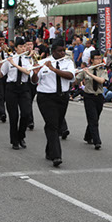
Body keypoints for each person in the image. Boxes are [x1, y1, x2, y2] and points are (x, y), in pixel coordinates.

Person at [31, 38, 75, 167]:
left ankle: (49, 150)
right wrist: (35, 73)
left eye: (64, 50)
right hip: (46, 97)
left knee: (56, 124)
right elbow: (34, 81)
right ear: (53, 51)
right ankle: (56, 156)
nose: (62, 53)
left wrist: (53, 69)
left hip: (62, 97)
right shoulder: (42, 62)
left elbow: (70, 76)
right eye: (60, 51)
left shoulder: (68, 62)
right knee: (52, 125)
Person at [1, 38, 33, 150]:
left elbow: (28, 72)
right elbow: (1, 74)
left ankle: (21, 136)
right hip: (11, 88)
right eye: (21, 47)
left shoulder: (28, 59)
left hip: (24, 87)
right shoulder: (9, 59)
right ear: (16, 48)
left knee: (26, 113)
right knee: (13, 116)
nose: (24, 49)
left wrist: (14, 64)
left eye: (24, 46)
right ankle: (14, 141)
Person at [77, 50, 108, 150]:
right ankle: (97, 141)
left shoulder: (103, 71)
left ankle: (87, 136)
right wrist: (77, 72)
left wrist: (89, 74)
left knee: (95, 118)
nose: (99, 61)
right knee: (93, 119)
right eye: (96, 59)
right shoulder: (86, 69)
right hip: (88, 96)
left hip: (99, 96)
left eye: (100, 58)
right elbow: (76, 79)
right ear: (91, 60)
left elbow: (101, 81)